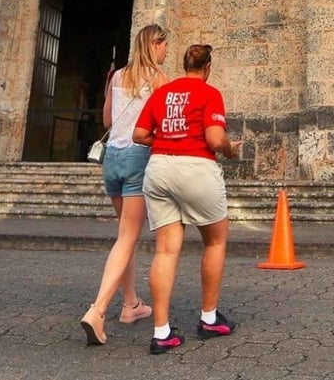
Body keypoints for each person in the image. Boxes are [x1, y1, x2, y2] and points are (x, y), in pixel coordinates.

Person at [133, 43, 240, 354]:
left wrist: (167, 140)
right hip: (196, 168)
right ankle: (208, 319)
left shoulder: (162, 92)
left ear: (184, 65)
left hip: (159, 168)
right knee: (216, 240)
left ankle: (162, 332)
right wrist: (230, 148)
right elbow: (214, 139)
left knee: (166, 251)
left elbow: (139, 135)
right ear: (207, 67)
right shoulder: (209, 93)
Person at [80, 24, 170, 345]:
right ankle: (98, 310)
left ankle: (130, 304)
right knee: (128, 237)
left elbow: (107, 121)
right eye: (164, 45)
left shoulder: (118, 76)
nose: (166, 51)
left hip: (112, 159)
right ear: (154, 44)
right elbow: (160, 124)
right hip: (137, 157)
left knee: (124, 236)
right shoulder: (159, 80)